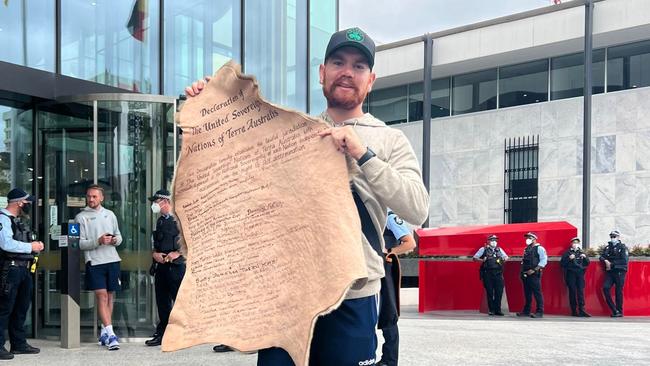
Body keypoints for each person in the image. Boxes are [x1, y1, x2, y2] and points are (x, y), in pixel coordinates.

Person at [185, 26, 429, 366]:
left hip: (353, 294)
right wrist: (211, 112)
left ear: (370, 80)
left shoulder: (390, 140)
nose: (347, 71)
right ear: (322, 73)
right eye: (338, 62)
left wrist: (364, 156)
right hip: (288, 295)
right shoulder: (290, 134)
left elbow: (417, 208)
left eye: (359, 66)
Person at [76, 184, 123, 350]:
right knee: (101, 296)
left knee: (110, 296)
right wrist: (98, 241)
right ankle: (111, 335)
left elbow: (119, 236)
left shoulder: (110, 215)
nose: (91, 199)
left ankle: (104, 331)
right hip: (94, 262)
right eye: (89, 196)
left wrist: (115, 240)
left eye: (94, 196)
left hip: (112, 259)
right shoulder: (81, 217)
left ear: (101, 198)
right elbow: (79, 244)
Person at [0, 188, 44, 360]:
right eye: (27, 202)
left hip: (23, 268)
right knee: (5, 308)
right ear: (19, 203)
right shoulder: (3, 219)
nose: (28, 205)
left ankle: (18, 343)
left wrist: (35, 246)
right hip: (10, 269)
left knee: (21, 307)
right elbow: (6, 244)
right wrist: (30, 247)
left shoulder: (16, 220)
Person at [145, 189, 186, 347]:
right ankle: (162, 333)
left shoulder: (179, 218)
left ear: (166, 202)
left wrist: (177, 253)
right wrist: (154, 254)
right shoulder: (160, 221)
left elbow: (190, 241)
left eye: (157, 201)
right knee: (162, 302)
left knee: (179, 302)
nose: (154, 205)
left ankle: (182, 334)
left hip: (175, 267)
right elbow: (156, 242)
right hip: (161, 267)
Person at [376, 211, 416, 366]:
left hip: (384, 266)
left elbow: (410, 242)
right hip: (369, 265)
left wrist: (391, 252)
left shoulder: (389, 216)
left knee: (388, 312)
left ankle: (389, 360)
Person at [472, 234, 508, 316]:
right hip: (488, 273)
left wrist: (504, 259)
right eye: (492, 240)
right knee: (490, 292)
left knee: (499, 291)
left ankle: (497, 310)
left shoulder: (499, 249)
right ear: (488, 241)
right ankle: (491, 310)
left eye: (495, 240)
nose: (494, 242)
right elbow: (474, 258)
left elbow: (506, 257)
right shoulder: (483, 249)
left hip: (498, 273)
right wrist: (482, 259)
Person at [516, 232, 547, 319]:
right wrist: (522, 272)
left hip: (534, 274)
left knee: (537, 293)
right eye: (527, 237)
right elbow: (523, 262)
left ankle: (539, 312)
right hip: (526, 274)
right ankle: (526, 311)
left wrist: (534, 270)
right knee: (527, 293)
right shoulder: (526, 249)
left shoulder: (540, 248)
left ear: (534, 238)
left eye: (529, 237)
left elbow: (544, 261)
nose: (527, 239)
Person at [599, 230, 628, 317]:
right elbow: (601, 256)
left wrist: (611, 263)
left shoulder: (623, 247)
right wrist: (605, 260)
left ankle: (619, 311)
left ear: (618, 237)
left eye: (614, 236)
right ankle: (614, 310)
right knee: (605, 288)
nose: (612, 238)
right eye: (611, 236)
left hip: (619, 271)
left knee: (618, 291)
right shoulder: (608, 247)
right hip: (610, 272)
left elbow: (624, 260)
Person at [560, 237, 590, 317]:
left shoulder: (581, 252)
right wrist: (569, 259)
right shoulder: (567, 253)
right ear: (571, 244)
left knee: (580, 291)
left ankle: (582, 310)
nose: (575, 244)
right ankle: (573, 310)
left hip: (580, 274)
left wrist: (585, 257)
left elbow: (587, 263)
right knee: (572, 292)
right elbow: (562, 264)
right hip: (571, 274)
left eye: (577, 242)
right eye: (574, 243)